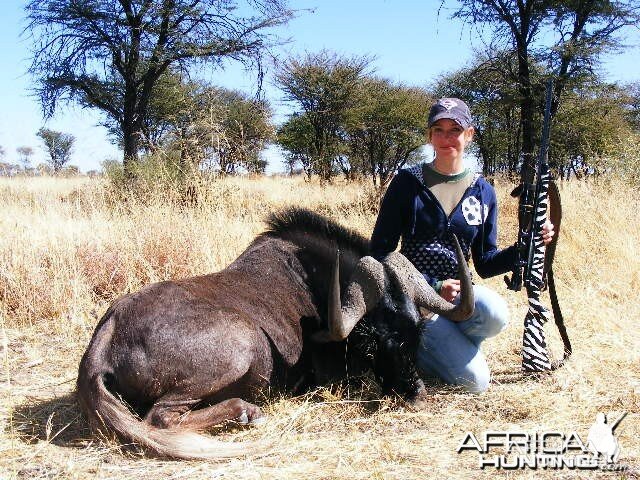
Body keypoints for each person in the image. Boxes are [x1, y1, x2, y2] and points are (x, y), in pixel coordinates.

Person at [369, 98, 555, 393]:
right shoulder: (406, 183)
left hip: (460, 298)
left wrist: (526, 246)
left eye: (455, 129)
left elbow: (486, 261)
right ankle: (416, 350)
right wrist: (432, 286)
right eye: (438, 130)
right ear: (429, 136)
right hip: (417, 304)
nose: (446, 138)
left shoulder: (483, 190)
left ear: (469, 135)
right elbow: (380, 254)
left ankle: (446, 350)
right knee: (476, 383)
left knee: (495, 312)